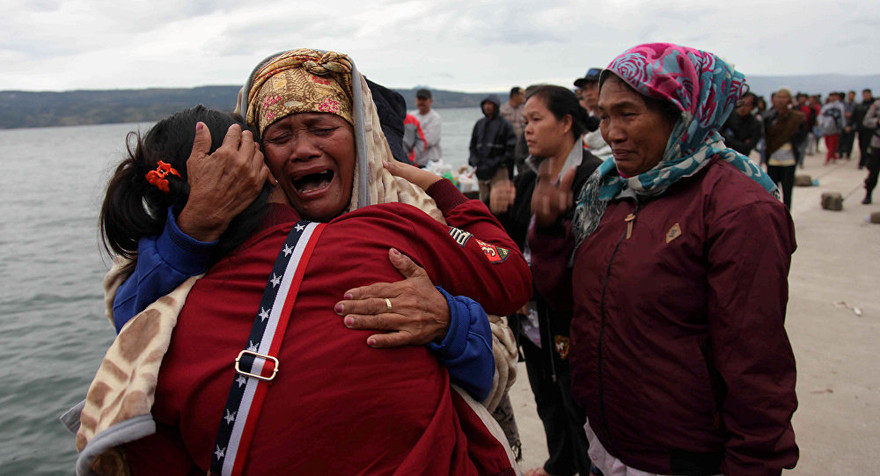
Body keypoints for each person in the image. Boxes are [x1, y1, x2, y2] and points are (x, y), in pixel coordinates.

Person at [74, 49, 531, 475]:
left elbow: (500, 333)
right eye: (280, 136)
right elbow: (136, 319)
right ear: (255, 161)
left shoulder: (409, 212)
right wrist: (195, 228)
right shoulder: (209, 234)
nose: (303, 149)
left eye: (322, 127)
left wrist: (447, 319)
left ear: (363, 139)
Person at [529, 43, 798, 475]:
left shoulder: (738, 209)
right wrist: (547, 231)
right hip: (606, 444)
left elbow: (756, 362)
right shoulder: (610, 192)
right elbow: (569, 301)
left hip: (682, 457)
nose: (611, 132)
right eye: (604, 115)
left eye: (628, 114)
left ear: (683, 114)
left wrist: (753, 465)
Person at [490, 85, 601, 476]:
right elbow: (512, 248)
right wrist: (497, 215)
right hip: (534, 321)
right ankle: (560, 464)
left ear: (567, 122)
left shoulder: (594, 178)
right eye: (526, 122)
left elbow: (589, 261)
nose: (527, 130)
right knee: (546, 397)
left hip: (571, 318)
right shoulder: (526, 179)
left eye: (537, 120)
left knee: (580, 403)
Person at [765, 87, 807, 209]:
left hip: (789, 159)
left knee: (787, 191)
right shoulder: (770, 117)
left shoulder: (797, 118)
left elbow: (802, 136)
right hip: (773, 158)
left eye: (784, 97)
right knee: (771, 191)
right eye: (779, 97)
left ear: (789, 100)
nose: (781, 100)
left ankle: (787, 215)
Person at [469, 94, 517, 201]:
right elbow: (473, 145)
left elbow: (511, 148)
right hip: (481, 170)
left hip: (499, 170)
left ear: (496, 106)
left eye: (490, 104)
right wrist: (474, 161)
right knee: (484, 200)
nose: (487, 107)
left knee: (500, 202)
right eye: (485, 104)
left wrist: (497, 162)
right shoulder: (479, 124)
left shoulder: (505, 124)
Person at [574, 67, 610, 160]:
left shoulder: (619, 121)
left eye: (593, 87)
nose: (588, 93)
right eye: (585, 89)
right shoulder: (581, 123)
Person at [721, 91, 763, 157]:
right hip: (722, 153)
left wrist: (728, 138)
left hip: (740, 158)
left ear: (752, 108)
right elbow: (719, 135)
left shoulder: (755, 124)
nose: (742, 107)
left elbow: (747, 147)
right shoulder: (728, 115)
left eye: (747, 105)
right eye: (741, 103)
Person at [412, 88, 443, 166]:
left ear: (430, 101)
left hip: (431, 163)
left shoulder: (435, 118)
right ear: (416, 100)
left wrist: (413, 138)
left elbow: (429, 140)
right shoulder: (411, 116)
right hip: (414, 163)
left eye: (424, 99)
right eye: (419, 99)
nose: (421, 102)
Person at [861, 97, 880, 204]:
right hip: (877, 143)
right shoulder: (876, 105)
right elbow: (866, 121)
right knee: (873, 171)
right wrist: (877, 121)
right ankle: (868, 194)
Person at [819, 91, 845, 164]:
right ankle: (833, 156)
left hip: (835, 127)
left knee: (832, 144)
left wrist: (843, 125)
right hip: (826, 127)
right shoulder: (826, 106)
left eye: (834, 96)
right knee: (827, 144)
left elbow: (842, 117)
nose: (833, 98)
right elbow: (821, 115)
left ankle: (828, 159)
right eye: (831, 96)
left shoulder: (840, 106)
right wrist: (821, 124)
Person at [854, 88, 876, 169]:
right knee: (862, 146)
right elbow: (854, 116)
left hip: (873, 130)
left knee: (871, 147)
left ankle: (868, 161)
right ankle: (863, 161)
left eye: (867, 94)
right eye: (864, 94)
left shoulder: (875, 105)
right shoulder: (859, 106)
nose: (866, 96)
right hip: (862, 129)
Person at [839, 90, 857, 159]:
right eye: (849, 95)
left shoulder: (856, 105)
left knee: (850, 141)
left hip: (852, 126)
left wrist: (851, 115)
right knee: (841, 140)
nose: (850, 97)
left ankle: (848, 154)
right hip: (843, 124)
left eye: (852, 95)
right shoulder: (843, 104)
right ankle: (840, 153)